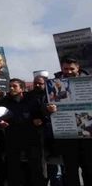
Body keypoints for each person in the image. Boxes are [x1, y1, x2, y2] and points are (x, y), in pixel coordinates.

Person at [49, 57, 92, 186]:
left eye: (71, 68)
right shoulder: (52, 84)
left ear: (78, 68)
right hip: (67, 134)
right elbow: (45, 105)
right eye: (65, 68)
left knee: (90, 169)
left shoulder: (89, 81)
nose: (68, 71)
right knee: (70, 170)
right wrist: (48, 109)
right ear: (61, 68)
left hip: (88, 134)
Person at [0, 78, 45, 186]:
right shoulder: (5, 101)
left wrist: (39, 120)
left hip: (31, 139)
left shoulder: (32, 100)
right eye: (10, 86)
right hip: (13, 139)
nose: (11, 88)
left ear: (22, 88)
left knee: (35, 169)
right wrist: (1, 122)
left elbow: (41, 114)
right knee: (15, 169)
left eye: (14, 86)